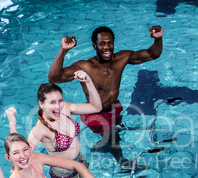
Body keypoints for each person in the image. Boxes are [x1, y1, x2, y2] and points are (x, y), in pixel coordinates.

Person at [48, 25, 163, 169]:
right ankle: (122, 162)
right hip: (95, 114)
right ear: (94, 45)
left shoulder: (121, 58)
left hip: (114, 107)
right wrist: (63, 50)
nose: (106, 47)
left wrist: (158, 39)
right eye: (102, 43)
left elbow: (152, 54)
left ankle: (102, 145)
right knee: (114, 138)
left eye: (109, 43)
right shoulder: (85, 67)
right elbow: (54, 77)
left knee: (116, 130)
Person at [6, 70, 102, 178]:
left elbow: (96, 107)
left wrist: (88, 81)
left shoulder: (66, 108)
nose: (58, 106)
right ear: (41, 103)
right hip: (65, 174)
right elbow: (19, 151)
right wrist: (12, 124)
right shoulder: (40, 130)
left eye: (60, 100)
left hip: (79, 161)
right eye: (52, 102)